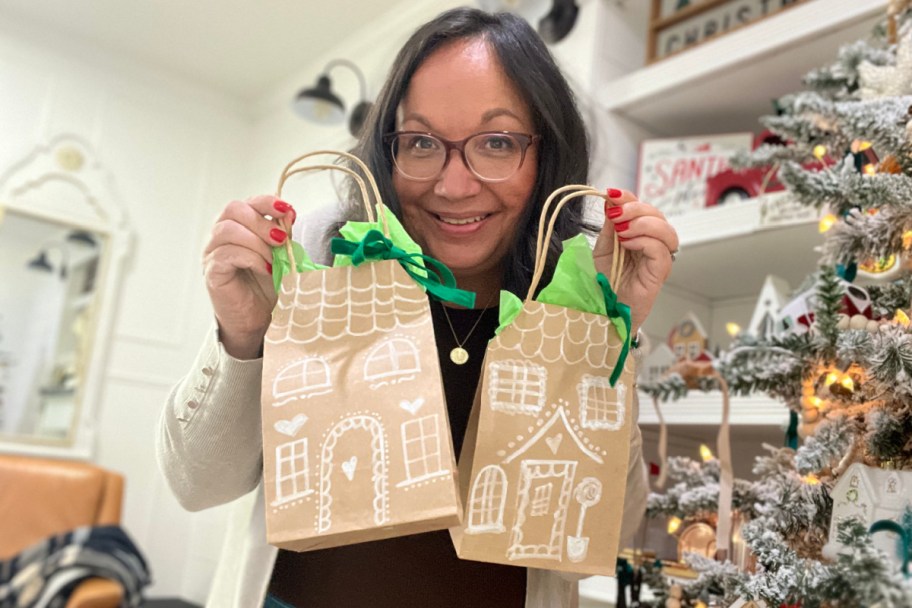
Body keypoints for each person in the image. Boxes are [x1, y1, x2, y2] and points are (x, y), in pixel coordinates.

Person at [157, 7, 679, 608]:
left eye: (498, 142)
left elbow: (607, 528)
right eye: (423, 142)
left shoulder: (573, 295)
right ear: (388, 148)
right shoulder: (320, 256)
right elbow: (196, 483)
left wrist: (614, 339)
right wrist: (242, 335)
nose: (454, 185)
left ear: (546, 155)